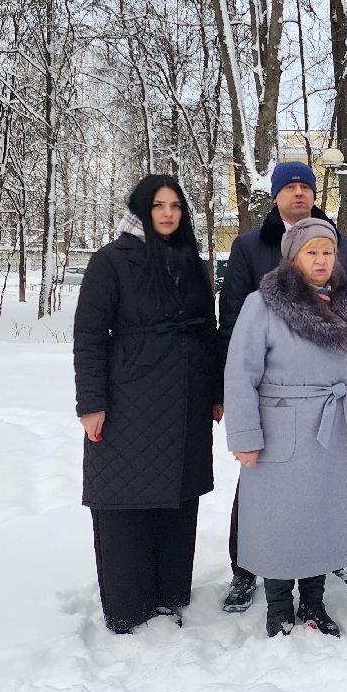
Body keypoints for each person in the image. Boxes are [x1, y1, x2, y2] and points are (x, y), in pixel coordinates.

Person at [73, 175, 221, 634]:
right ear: (141, 210)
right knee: (125, 497)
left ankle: (170, 593)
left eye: (175, 205)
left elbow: (208, 330)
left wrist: (216, 391)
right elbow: (89, 335)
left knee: (179, 495)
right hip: (128, 396)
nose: (168, 213)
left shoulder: (191, 261)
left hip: (187, 395)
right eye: (158, 205)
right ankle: (129, 605)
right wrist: (91, 402)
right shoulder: (111, 261)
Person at [218, 160, 347, 614]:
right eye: (311, 253)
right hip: (281, 427)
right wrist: (245, 435)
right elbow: (240, 371)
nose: (321, 260)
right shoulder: (261, 302)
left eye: (327, 253)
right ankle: (278, 606)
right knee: (277, 520)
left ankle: (314, 603)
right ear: (293, 258)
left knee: (322, 515)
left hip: (330, 427)